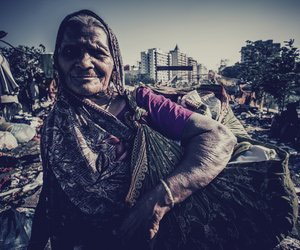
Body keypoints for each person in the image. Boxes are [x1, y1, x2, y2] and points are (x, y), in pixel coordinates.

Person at [28, 10, 297, 250]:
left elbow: (218, 137)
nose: (84, 63)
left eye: (98, 53)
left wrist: (158, 201)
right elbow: (50, 198)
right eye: (71, 52)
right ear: (57, 62)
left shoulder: (141, 102)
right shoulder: (54, 126)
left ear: (114, 61)